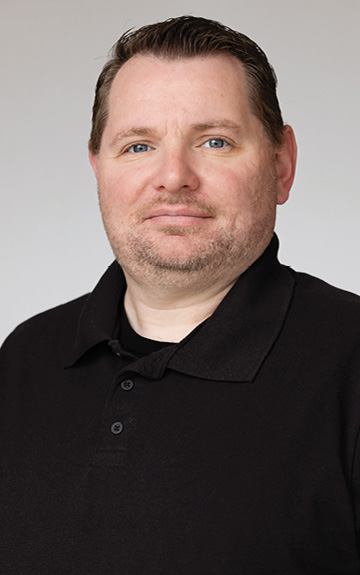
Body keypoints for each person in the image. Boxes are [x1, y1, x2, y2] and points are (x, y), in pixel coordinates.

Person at [1, 15, 360, 574]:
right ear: (97, 168)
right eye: (138, 145)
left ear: (282, 164)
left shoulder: (350, 361)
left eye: (214, 141)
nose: (174, 177)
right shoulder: (24, 358)